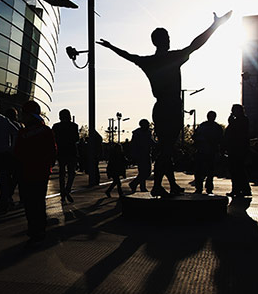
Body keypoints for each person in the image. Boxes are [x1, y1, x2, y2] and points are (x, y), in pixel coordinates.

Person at [97, 10, 232, 197]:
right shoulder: (173, 57)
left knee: (165, 149)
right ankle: (157, 185)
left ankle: (170, 185)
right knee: (167, 149)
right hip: (172, 107)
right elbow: (196, 44)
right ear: (162, 40)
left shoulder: (149, 62)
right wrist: (215, 26)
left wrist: (111, 47)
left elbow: (129, 55)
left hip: (159, 109)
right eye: (167, 37)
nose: (169, 40)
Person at [14, 101, 57, 246]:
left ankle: (33, 229)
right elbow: (53, 151)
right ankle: (40, 229)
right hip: (42, 172)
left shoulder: (23, 133)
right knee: (39, 201)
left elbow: (18, 153)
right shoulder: (46, 131)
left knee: (29, 203)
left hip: (26, 172)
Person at [192, 111, 224, 194]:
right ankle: (204, 187)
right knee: (206, 171)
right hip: (206, 151)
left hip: (207, 151)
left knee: (207, 171)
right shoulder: (215, 127)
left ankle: (202, 187)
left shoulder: (204, 126)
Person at [52, 109, 79, 203]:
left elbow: (53, 139)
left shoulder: (56, 126)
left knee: (62, 173)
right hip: (71, 151)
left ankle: (62, 193)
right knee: (71, 173)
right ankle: (68, 189)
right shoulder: (74, 126)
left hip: (61, 152)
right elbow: (76, 138)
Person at [224, 104, 251, 198]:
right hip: (234, 148)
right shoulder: (238, 120)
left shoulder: (243, 120)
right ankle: (238, 189)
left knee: (238, 170)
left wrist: (231, 122)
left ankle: (242, 189)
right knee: (235, 170)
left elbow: (237, 132)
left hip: (239, 148)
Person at [128, 119, 154, 193]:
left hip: (146, 154)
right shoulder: (137, 133)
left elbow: (151, 142)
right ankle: (134, 183)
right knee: (145, 172)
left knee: (143, 172)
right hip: (141, 155)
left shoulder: (147, 132)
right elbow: (133, 145)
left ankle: (141, 186)